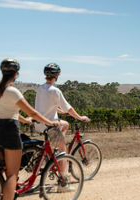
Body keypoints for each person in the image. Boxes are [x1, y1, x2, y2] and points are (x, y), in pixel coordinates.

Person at [0, 58, 60, 200]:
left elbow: (10, 111)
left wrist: (24, 120)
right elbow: (33, 113)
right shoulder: (13, 91)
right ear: (16, 74)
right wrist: (51, 123)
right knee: (12, 174)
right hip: (10, 131)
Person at [35, 63, 89, 192]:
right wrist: (80, 117)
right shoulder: (55, 90)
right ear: (57, 75)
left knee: (65, 124)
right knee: (64, 152)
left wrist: (58, 110)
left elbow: (46, 105)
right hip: (50, 126)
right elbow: (69, 108)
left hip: (39, 124)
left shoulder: (40, 88)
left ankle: (57, 146)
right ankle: (62, 184)